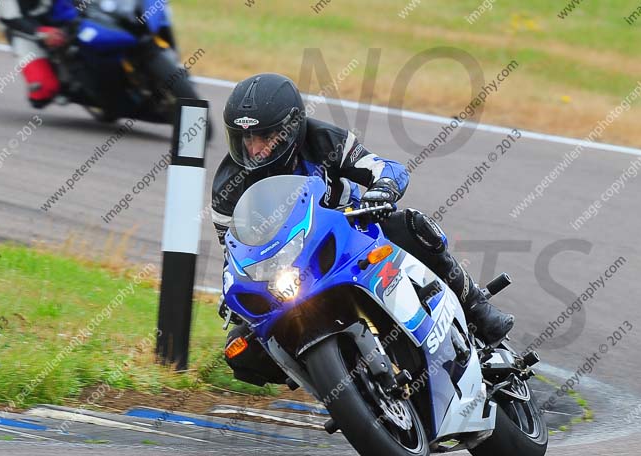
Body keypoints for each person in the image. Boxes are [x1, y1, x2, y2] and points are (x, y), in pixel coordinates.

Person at [212, 73, 514, 385]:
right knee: (242, 349)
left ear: (291, 129)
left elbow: (384, 168)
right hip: (291, 269)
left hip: (352, 235)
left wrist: (383, 189)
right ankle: (333, 382)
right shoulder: (227, 188)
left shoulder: (324, 140)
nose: (255, 148)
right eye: (246, 138)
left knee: (411, 226)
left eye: (265, 137)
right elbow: (232, 251)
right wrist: (234, 290)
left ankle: (477, 308)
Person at [0, 0, 78, 108]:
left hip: (57, 17)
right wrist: (41, 33)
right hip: (22, 32)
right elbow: (10, 19)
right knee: (44, 90)